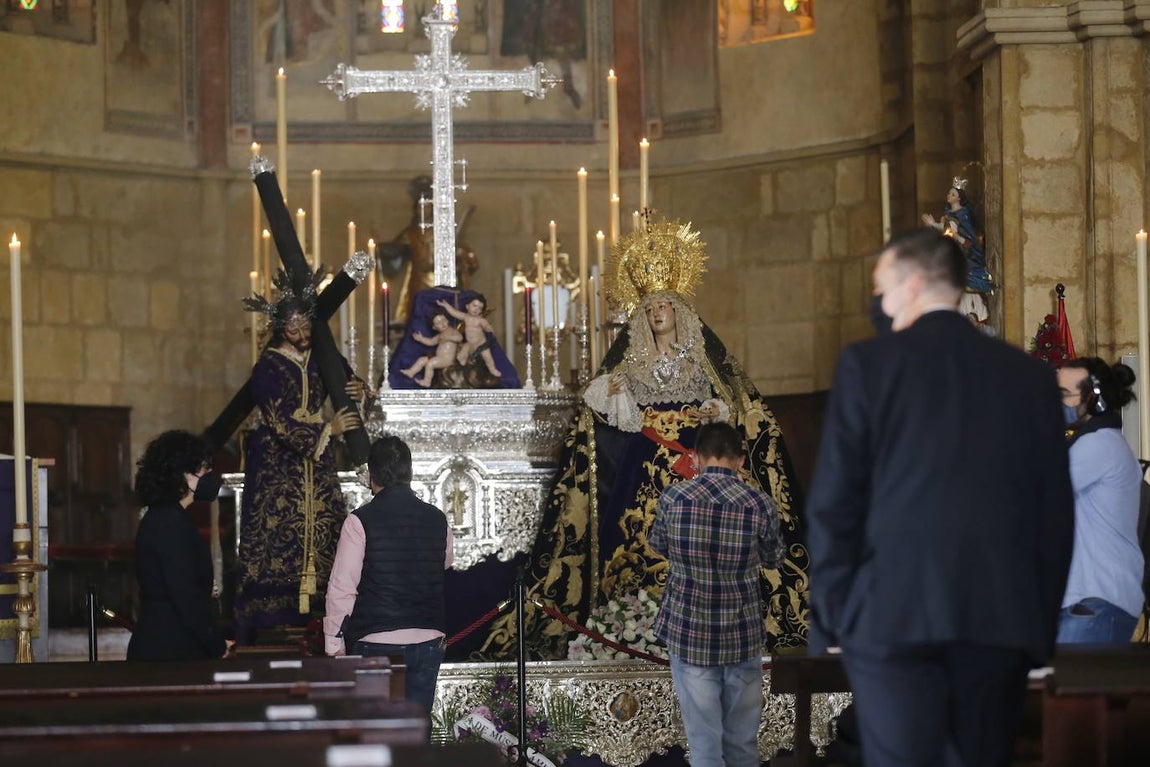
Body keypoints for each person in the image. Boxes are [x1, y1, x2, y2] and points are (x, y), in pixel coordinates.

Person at [480, 216, 808, 660]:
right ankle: (635, 618)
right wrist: (614, 395)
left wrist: (713, 411)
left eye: (664, 307)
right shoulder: (632, 364)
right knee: (635, 533)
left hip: (697, 459)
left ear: (679, 311)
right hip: (646, 462)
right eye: (650, 309)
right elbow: (604, 406)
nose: (657, 314)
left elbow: (732, 403)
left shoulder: (701, 362)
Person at [806, 228, 1075, 767]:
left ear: (910, 284)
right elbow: (1054, 517)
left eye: (882, 289)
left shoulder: (868, 366)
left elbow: (835, 504)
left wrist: (834, 618)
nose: (878, 303)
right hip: (999, 622)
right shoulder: (1028, 377)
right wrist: (1037, 631)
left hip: (891, 616)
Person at [236, 270, 365, 645]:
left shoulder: (323, 355)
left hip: (319, 461)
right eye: (293, 329)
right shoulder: (269, 366)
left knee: (324, 527)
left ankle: (325, 610)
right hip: (279, 462)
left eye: (305, 326)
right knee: (279, 529)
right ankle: (273, 616)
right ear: (280, 329)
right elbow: (277, 419)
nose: (302, 335)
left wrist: (359, 390)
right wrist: (327, 431)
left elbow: (349, 389)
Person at [650, 421, 782, 767]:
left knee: (705, 746)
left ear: (695, 457)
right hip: (742, 633)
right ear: (740, 460)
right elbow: (774, 557)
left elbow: (658, 544)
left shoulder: (674, 498)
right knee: (742, 745)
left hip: (690, 633)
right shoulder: (760, 503)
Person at [325, 435, 453, 716]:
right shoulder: (437, 518)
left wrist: (334, 643)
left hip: (375, 638)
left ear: (371, 475)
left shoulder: (359, 521)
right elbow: (443, 563)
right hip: (428, 636)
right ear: (410, 472)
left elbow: (342, 588)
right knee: (418, 730)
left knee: (377, 730)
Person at [1057, 357, 1145, 644]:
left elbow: (1037, 490)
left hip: (1093, 598)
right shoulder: (1099, 443)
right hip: (1093, 598)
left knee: (1070, 688)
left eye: (1063, 395)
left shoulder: (1098, 445)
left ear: (1094, 399)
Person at [128, 430, 233, 661]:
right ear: (182, 475)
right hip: (169, 647)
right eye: (204, 469)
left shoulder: (168, 516)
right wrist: (215, 643)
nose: (210, 476)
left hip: (172, 639)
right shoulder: (169, 521)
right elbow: (185, 593)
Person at [378, 175, 478, 326]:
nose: (423, 210)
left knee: (442, 317)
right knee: (417, 317)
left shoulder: (443, 230)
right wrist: (382, 249)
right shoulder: (411, 232)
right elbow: (396, 250)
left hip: (439, 279)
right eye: (420, 207)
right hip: (417, 281)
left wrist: (464, 256)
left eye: (427, 206)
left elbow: (464, 252)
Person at [922, 177, 993, 325]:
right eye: (949, 193)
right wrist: (933, 224)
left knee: (968, 284)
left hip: (966, 254)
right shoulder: (949, 214)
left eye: (953, 194)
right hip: (954, 254)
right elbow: (945, 228)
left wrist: (956, 237)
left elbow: (968, 236)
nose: (949, 196)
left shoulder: (964, 214)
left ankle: (977, 314)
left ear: (959, 197)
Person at [437, 293, 503, 379]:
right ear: (467, 306)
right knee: (463, 353)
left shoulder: (480, 320)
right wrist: (446, 305)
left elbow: (487, 327)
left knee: (488, 357)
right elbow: (454, 312)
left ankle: (493, 369)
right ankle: (462, 365)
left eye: (479, 308)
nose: (476, 309)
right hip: (470, 344)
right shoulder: (465, 317)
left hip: (481, 343)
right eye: (474, 305)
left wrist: (489, 328)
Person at [400, 309, 464, 387]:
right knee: (422, 360)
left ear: (447, 320)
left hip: (448, 359)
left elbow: (460, 338)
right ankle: (411, 372)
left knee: (430, 364)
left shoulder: (452, 332)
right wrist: (421, 339)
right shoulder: (439, 335)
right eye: (438, 323)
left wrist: (449, 338)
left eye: (443, 320)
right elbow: (430, 342)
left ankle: (427, 381)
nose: (442, 323)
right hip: (439, 358)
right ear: (434, 327)